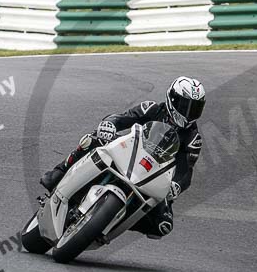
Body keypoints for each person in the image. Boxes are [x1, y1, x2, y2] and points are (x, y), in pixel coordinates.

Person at [40, 77, 206, 240]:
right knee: (93, 140)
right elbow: (122, 118)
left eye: (196, 108)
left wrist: (176, 185)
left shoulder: (193, 138)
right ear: (172, 99)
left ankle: (112, 220)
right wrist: (109, 124)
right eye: (186, 105)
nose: (190, 112)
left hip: (154, 175)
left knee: (163, 225)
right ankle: (60, 171)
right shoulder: (152, 109)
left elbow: (186, 170)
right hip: (128, 153)